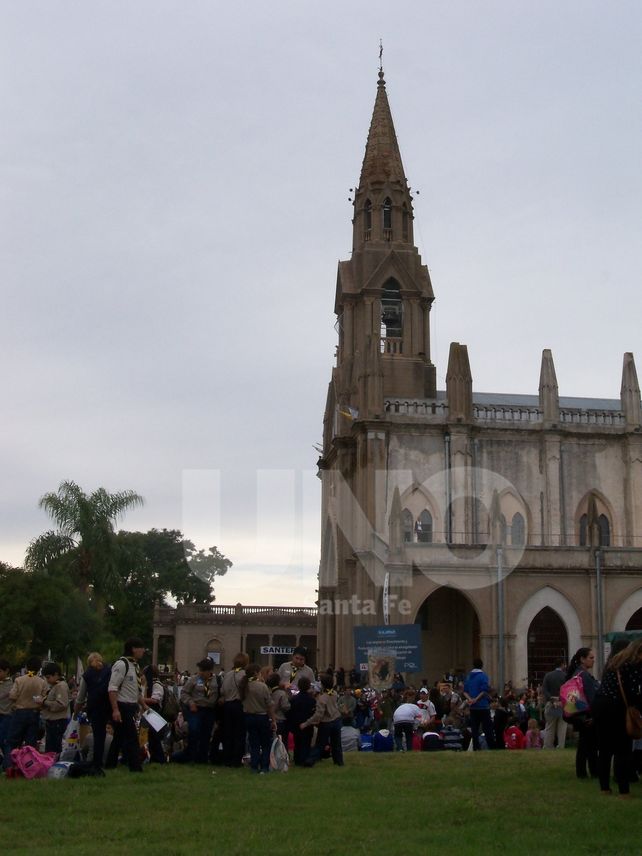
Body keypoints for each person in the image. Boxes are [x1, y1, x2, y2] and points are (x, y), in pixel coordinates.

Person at [594, 639, 642, 796]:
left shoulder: (613, 662)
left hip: (600, 704)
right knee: (623, 749)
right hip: (617, 707)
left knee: (604, 749)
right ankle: (624, 790)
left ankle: (604, 788)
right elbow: (633, 692)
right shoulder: (633, 665)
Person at [107, 637, 147, 772]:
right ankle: (135, 767)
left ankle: (110, 764)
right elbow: (112, 688)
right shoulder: (121, 664)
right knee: (132, 737)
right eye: (141, 648)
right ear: (134, 649)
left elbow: (135, 690)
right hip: (122, 706)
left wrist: (143, 705)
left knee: (119, 737)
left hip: (131, 706)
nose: (143, 651)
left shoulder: (135, 666)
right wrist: (115, 709)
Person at [6, 657, 47, 768]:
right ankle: (28, 766)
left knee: (13, 740)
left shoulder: (19, 680)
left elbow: (12, 696)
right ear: (39, 668)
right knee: (30, 743)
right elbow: (44, 698)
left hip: (20, 712)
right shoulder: (42, 682)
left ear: (26, 667)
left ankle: (9, 765)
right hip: (34, 713)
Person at [74, 652, 112, 772]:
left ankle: (97, 763)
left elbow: (81, 697)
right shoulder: (109, 671)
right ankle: (111, 761)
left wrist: (76, 712)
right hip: (110, 707)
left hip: (95, 708)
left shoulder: (87, 675)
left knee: (98, 736)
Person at [565, 647, 599, 779]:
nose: (593, 660)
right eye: (591, 658)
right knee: (590, 745)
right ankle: (592, 771)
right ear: (582, 659)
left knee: (585, 744)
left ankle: (583, 772)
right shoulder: (584, 675)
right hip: (587, 714)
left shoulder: (576, 673)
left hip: (579, 714)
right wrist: (595, 714)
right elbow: (591, 697)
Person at [177, 658, 219, 763]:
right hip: (196, 709)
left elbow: (221, 692)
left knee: (207, 733)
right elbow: (184, 693)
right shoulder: (193, 679)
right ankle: (191, 755)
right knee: (194, 730)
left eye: (203, 671)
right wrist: (190, 702)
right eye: (200, 670)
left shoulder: (217, 680)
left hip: (210, 710)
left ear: (210, 671)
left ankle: (202, 758)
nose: (201, 673)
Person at [300, 673, 344, 767]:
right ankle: (339, 762)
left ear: (323, 685)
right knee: (336, 743)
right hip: (336, 720)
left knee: (320, 744)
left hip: (326, 723)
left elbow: (318, 715)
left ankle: (310, 761)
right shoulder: (334, 693)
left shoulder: (322, 698)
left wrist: (306, 723)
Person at [240, 663, 276, 773]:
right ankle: (264, 766)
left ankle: (254, 766)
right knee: (265, 743)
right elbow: (269, 704)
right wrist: (273, 720)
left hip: (249, 716)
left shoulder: (244, 686)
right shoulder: (262, 686)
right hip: (261, 716)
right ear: (256, 673)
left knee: (254, 743)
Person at [220, 652, 249, 767]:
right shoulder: (245, 675)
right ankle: (236, 760)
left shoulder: (228, 674)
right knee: (239, 733)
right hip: (239, 705)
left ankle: (227, 758)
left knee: (228, 733)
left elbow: (222, 691)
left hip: (227, 705)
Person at [463, 658, 495, 750]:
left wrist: (470, 699)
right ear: (482, 666)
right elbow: (484, 690)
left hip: (473, 707)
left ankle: (476, 748)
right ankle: (491, 747)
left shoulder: (469, 676)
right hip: (483, 706)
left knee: (474, 730)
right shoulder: (483, 676)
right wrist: (476, 699)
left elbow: (465, 691)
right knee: (487, 729)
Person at [40, 662, 70, 754]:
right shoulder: (55, 686)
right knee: (50, 748)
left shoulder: (61, 686)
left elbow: (62, 704)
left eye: (48, 677)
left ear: (56, 674)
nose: (47, 680)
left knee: (54, 748)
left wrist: (44, 702)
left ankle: (55, 761)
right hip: (53, 721)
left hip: (57, 721)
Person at [287, 675, 316, 765]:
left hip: (296, 724)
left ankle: (297, 759)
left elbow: (290, 712)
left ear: (298, 686)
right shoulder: (312, 700)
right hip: (308, 724)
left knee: (297, 742)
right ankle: (305, 758)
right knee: (307, 742)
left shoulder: (293, 699)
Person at [541, 659, 568, 749]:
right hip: (563, 704)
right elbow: (568, 690)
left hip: (551, 703)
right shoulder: (566, 676)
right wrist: (560, 699)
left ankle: (548, 745)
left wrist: (552, 699)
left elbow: (544, 690)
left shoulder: (548, 675)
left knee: (550, 726)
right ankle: (560, 745)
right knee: (562, 726)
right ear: (562, 664)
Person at [142, 665, 166, 764]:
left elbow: (155, 700)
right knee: (151, 736)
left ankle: (159, 758)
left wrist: (141, 700)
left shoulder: (156, 685)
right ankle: (154, 757)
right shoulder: (149, 685)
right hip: (149, 712)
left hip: (155, 712)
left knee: (155, 736)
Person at [266, 673, 290, 739]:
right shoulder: (282, 693)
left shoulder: (267, 692)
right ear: (278, 682)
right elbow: (286, 706)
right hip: (279, 721)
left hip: (269, 720)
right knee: (281, 741)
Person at [0, 659, 13, 768]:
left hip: (7, 716)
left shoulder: (12, 684)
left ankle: (7, 765)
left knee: (4, 740)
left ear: (7, 671)